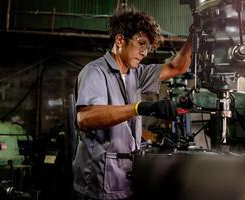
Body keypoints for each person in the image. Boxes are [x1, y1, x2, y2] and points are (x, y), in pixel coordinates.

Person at [73, 8, 192, 200]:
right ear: (120, 40)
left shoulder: (135, 73)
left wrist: (195, 34)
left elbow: (177, 66)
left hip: (126, 179)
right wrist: (139, 107)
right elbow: (86, 118)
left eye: (147, 47)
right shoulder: (95, 72)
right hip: (98, 182)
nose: (144, 53)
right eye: (141, 44)